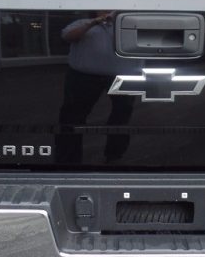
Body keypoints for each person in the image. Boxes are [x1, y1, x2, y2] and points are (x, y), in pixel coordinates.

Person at [55, 11, 142, 164]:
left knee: (121, 117)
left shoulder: (130, 25)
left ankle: (114, 156)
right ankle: (68, 160)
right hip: (84, 76)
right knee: (72, 117)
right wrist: (94, 22)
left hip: (123, 77)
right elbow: (68, 36)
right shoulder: (83, 23)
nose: (109, 11)